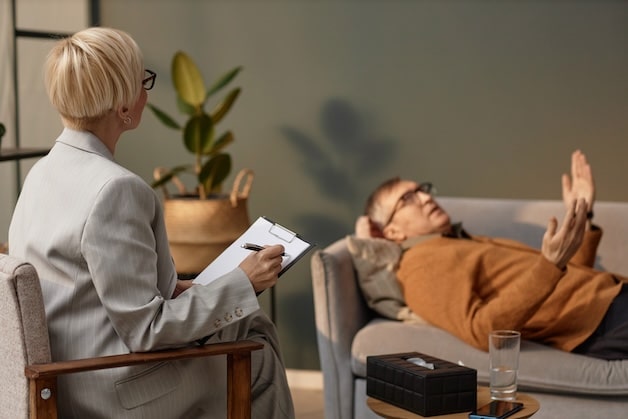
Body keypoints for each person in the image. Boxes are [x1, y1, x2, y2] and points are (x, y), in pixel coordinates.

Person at [8, 27, 294, 418]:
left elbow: (83, 284)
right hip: (110, 389)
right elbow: (147, 331)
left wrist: (176, 287)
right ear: (123, 107)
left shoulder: (40, 174)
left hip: (63, 376)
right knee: (256, 342)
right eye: (144, 82)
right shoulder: (116, 190)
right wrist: (245, 281)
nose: (146, 94)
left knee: (244, 322)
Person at [359, 150, 628, 360]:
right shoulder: (418, 265)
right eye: (407, 199)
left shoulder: (457, 241)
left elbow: (570, 279)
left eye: (422, 190)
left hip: (609, 298)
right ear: (392, 231)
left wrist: (584, 215)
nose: (426, 198)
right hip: (601, 321)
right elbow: (481, 331)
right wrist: (549, 263)